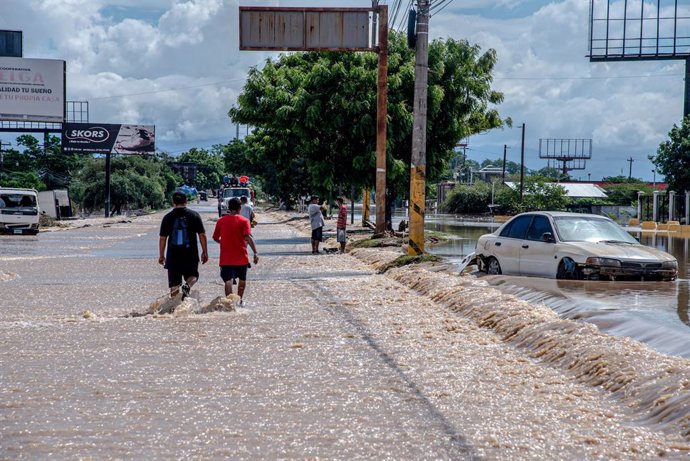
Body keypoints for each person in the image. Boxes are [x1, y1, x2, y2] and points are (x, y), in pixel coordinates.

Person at [159, 191, 209, 300]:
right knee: (193, 276)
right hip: (190, 254)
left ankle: (174, 310)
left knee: (174, 285)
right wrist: (205, 252)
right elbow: (202, 235)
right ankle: (188, 285)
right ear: (186, 201)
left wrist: (161, 255)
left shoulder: (167, 217)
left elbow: (163, 238)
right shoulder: (194, 215)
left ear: (173, 202)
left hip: (173, 255)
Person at [212, 197, 259, 305]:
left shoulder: (221, 221)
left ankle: (229, 303)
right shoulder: (244, 221)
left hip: (226, 258)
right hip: (241, 257)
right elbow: (248, 237)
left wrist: (222, 242)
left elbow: (215, 237)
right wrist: (255, 253)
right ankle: (240, 301)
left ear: (229, 208)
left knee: (228, 280)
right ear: (239, 208)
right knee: (242, 280)